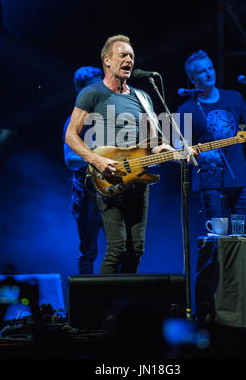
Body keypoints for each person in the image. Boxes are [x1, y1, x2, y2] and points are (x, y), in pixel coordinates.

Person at [65, 34, 197, 274]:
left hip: (138, 180)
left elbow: (153, 142)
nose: (129, 60)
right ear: (107, 60)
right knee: (116, 249)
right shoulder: (92, 93)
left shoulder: (143, 97)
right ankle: (101, 309)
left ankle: (123, 306)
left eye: (132, 56)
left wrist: (169, 151)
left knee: (136, 249)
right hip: (109, 179)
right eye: (123, 55)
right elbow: (71, 136)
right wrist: (96, 159)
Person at [177, 49, 246, 231]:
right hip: (210, 185)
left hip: (241, 182)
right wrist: (198, 156)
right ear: (192, 78)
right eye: (202, 71)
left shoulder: (234, 98)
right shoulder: (185, 109)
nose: (209, 73)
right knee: (220, 240)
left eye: (210, 68)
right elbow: (178, 151)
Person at [63, 66, 103, 274]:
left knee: (123, 247)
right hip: (88, 194)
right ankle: (89, 302)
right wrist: (96, 157)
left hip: (114, 191)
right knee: (88, 251)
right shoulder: (74, 122)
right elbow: (70, 160)